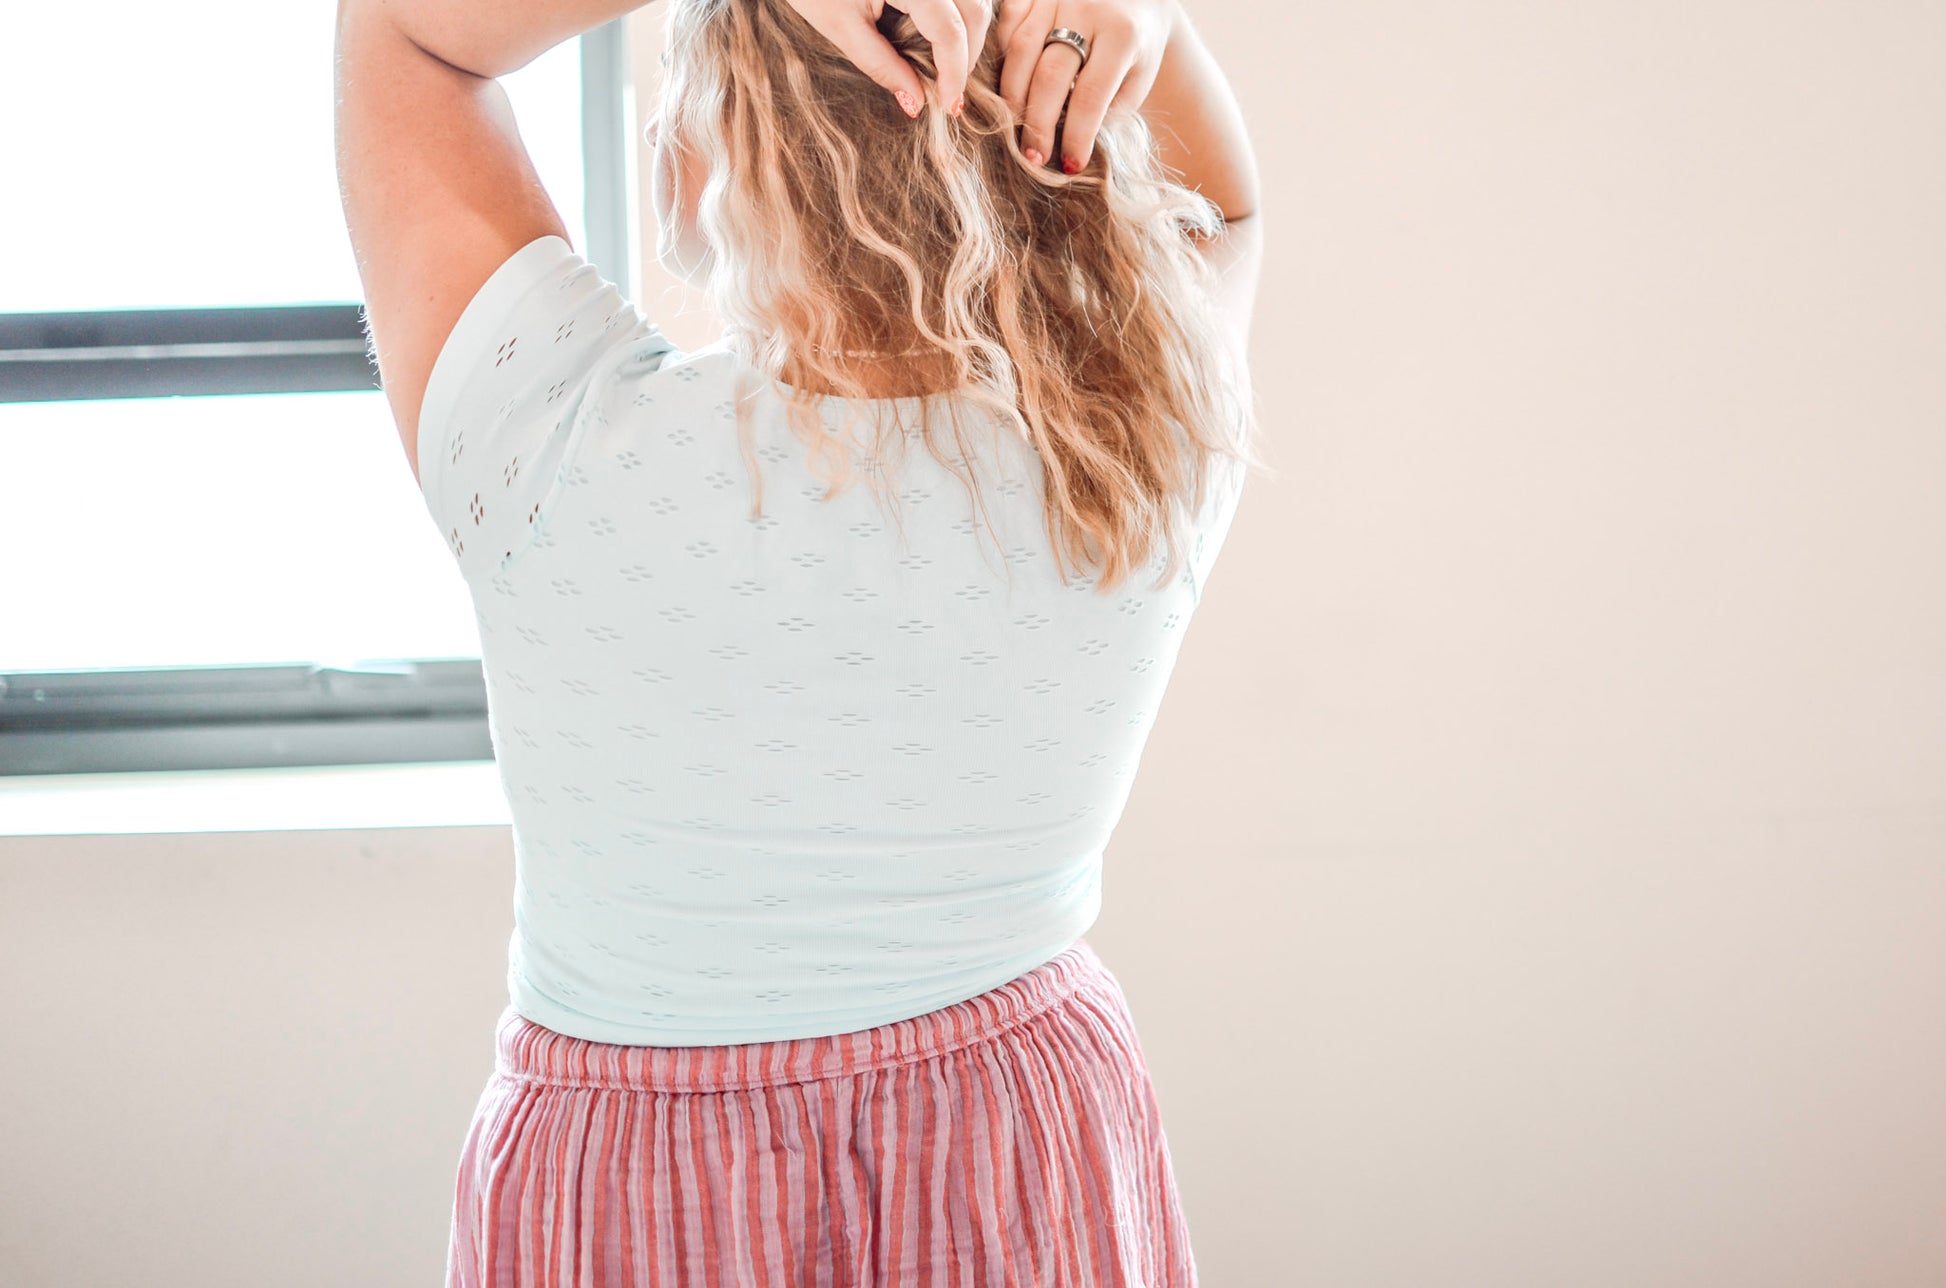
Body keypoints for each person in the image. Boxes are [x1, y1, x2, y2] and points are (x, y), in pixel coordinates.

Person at [335, 0, 1265, 1282]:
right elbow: (1227, 210)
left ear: (734, 140)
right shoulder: (1135, 443)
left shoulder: (551, 451)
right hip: (1021, 1142)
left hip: (628, 1186)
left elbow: (401, 35)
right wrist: (1141, 19)